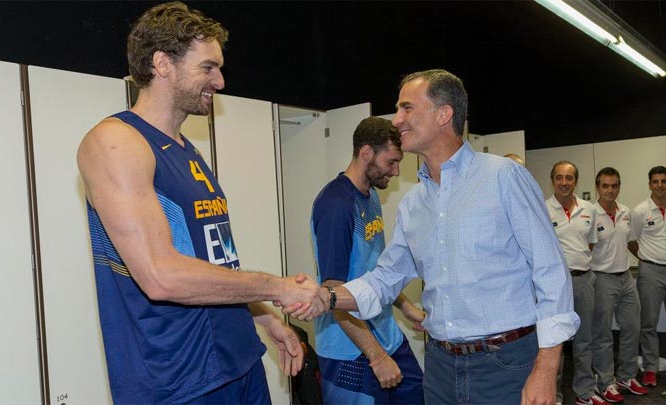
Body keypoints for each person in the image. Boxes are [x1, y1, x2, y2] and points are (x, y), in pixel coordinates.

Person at [77, 2, 325, 404]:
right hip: (178, 380)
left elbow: (217, 259)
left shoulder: (188, 151)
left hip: (238, 360)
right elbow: (161, 276)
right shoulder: (116, 142)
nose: (221, 81)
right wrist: (276, 287)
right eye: (208, 67)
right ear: (162, 64)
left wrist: (262, 315)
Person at [287, 69, 579, 405]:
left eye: (407, 108)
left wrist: (545, 369)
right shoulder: (414, 203)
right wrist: (329, 297)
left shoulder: (504, 178)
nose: (396, 120)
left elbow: (552, 273)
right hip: (441, 367)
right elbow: (385, 279)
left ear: (444, 114)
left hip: (504, 364)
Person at [311, 116, 424, 404]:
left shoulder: (371, 196)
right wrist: (376, 357)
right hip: (349, 348)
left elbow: (377, 270)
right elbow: (333, 294)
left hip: (385, 332)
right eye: (391, 162)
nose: (396, 171)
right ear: (366, 153)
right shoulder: (336, 205)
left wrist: (407, 307)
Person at [546, 161, 603, 405]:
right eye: (559, 177)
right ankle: (554, 396)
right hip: (556, 284)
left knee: (584, 339)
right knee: (554, 342)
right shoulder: (543, 208)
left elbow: (589, 244)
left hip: (583, 280)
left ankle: (585, 392)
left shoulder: (589, 208)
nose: (564, 182)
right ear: (553, 181)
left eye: (569, 178)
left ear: (576, 181)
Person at [590, 167, 647, 402]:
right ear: (598, 188)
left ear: (619, 187)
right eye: (605, 186)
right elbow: (585, 249)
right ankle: (605, 382)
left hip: (626, 278)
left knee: (632, 329)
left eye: (614, 185)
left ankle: (626, 376)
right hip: (602, 279)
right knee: (602, 334)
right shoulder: (590, 213)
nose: (610, 190)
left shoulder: (626, 212)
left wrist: (646, 258)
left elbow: (631, 241)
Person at [630, 165, 666, 388]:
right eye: (656, 181)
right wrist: (646, 257)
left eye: (664, 181)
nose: (660, 185)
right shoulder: (640, 211)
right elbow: (631, 240)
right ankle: (650, 369)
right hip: (650, 270)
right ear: (650, 184)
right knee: (649, 323)